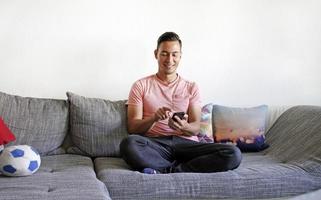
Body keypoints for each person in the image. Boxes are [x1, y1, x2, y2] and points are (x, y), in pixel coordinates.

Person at [120, 32, 241, 174]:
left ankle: (167, 170)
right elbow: (133, 127)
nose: (169, 59)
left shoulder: (191, 87)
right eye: (164, 53)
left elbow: (196, 128)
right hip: (156, 145)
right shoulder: (140, 85)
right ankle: (178, 168)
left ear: (180, 56)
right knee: (128, 144)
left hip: (187, 144)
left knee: (233, 153)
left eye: (174, 54)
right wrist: (154, 118)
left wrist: (184, 126)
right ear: (156, 54)